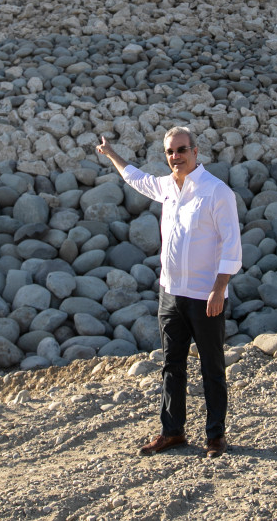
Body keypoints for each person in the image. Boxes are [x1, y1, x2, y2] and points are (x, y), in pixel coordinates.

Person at [96, 126, 242, 459]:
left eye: (181, 150)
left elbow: (231, 245)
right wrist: (111, 153)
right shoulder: (166, 187)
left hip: (205, 295)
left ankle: (216, 436)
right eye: (170, 152)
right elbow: (136, 178)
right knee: (172, 366)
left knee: (212, 367)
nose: (176, 157)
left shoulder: (217, 192)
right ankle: (172, 432)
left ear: (195, 151)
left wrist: (219, 289)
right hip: (170, 294)